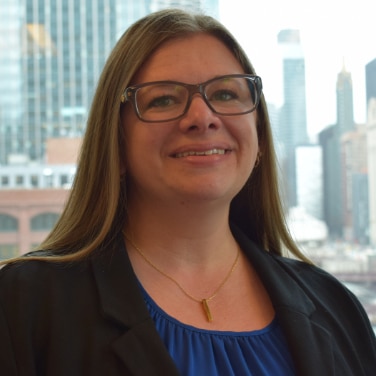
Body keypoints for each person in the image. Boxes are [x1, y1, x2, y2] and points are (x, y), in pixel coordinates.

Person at [0, 8, 375, 376]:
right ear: (115, 141)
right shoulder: (23, 309)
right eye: (163, 99)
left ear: (259, 137)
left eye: (226, 94)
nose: (203, 116)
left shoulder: (335, 306)